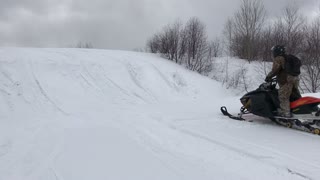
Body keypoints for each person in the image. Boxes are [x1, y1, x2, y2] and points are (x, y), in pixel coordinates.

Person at [265, 45, 301, 117]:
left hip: (286, 80)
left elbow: (275, 70)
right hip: (295, 79)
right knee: (295, 95)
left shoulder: (279, 58)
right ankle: (301, 109)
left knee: (283, 96)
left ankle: (285, 113)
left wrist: (268, 77)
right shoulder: (288, 57)